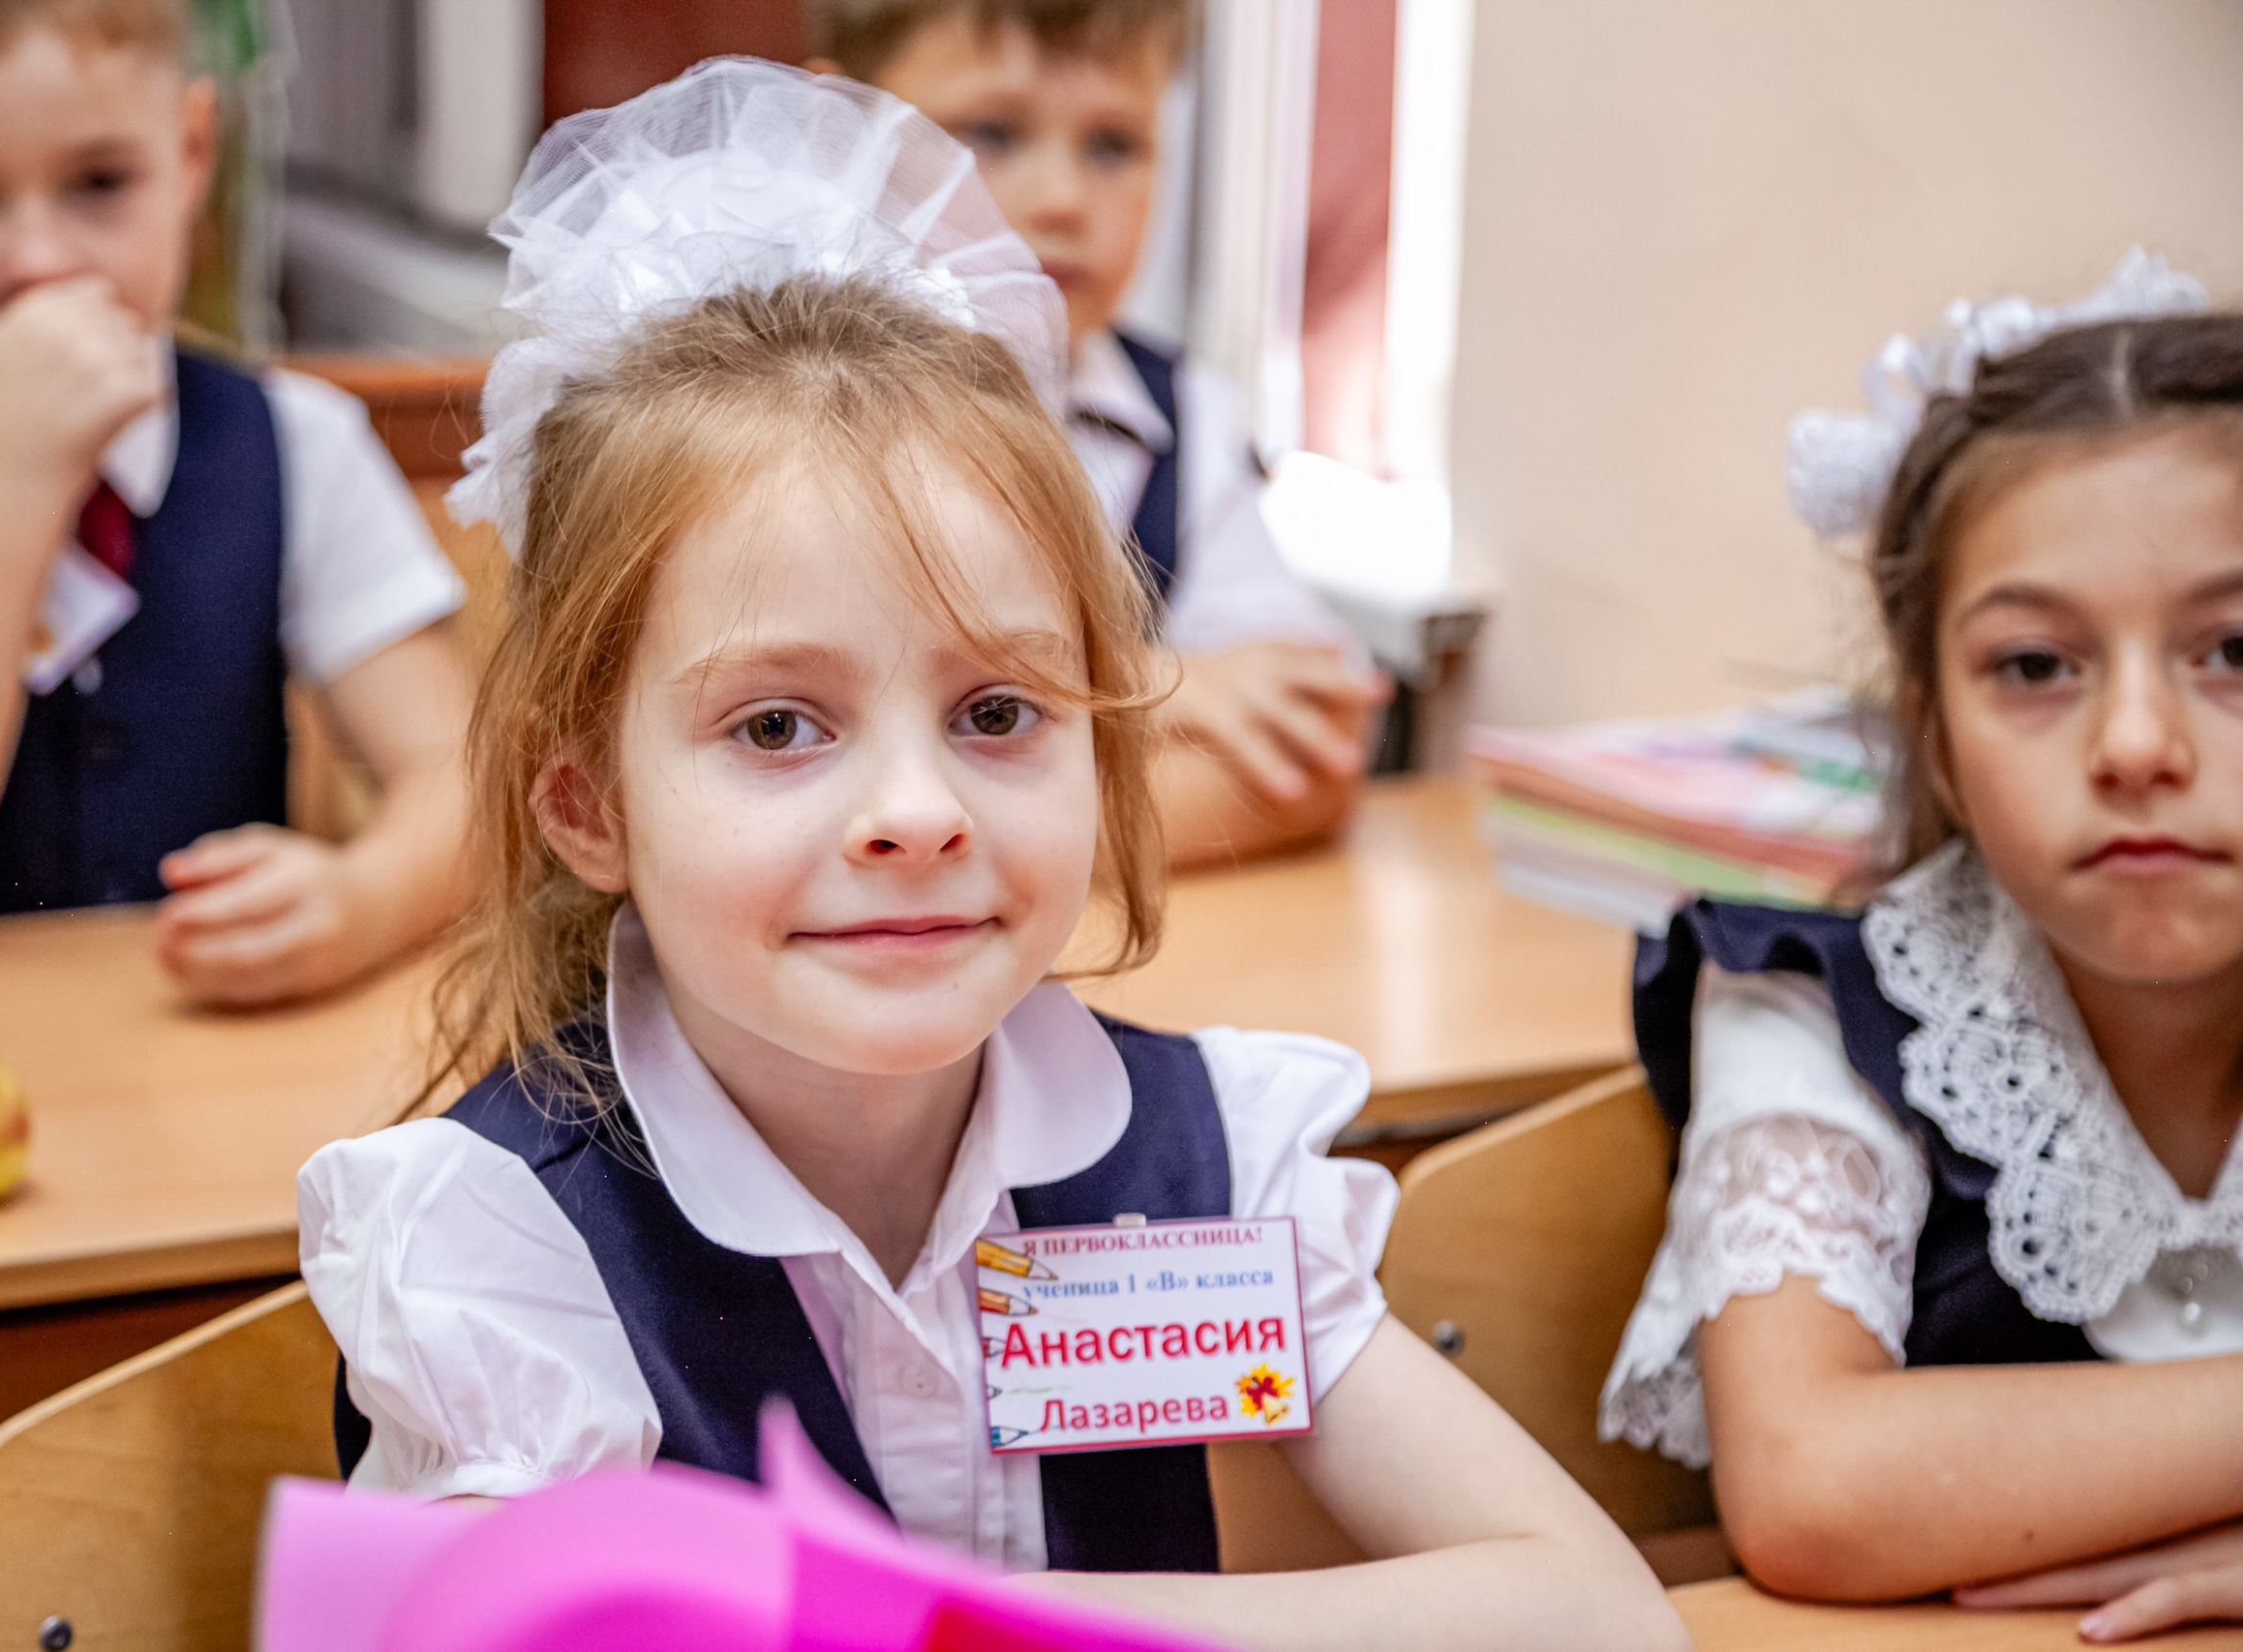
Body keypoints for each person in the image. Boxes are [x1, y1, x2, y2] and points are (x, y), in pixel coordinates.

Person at [299, 62, 1683, 1652]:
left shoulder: (1193, 1170)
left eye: (999, 707)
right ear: (586, 803)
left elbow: (1590, 1612)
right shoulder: (506, 1251)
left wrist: (962, 1622)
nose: (919, 809)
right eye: (776, 727)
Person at [1598, 252, 2243, 1639]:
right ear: (1934, 732)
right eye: (2034, 666)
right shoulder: (1811, 1009)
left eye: (2235, 649)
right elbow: (1815, 1486)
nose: (2139, 745)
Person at [0, 0, 475, 1006]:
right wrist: (14, 471)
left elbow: (466, 784)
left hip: (201, 1080)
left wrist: (361, 899)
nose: (38, 259)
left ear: (190, 153)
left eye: (100, 182)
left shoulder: (293, 439)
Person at [813, 0, 1389, 869]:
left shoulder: (1185, 414)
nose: (1064, 200)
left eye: (1114, 145)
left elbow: (1304, 754)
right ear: (832, 132)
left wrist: (970, 827)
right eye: (993, 133)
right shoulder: (742, 410)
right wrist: (1144, 691)